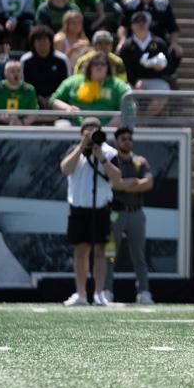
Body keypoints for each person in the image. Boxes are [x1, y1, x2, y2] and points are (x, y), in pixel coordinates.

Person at [60, 117, 122, 306]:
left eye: (95, 131)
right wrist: (81, 147)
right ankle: (80, 293)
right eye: (87, 131)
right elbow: (65, 169)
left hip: (100, 208)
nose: (91, 135)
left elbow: (117, 178)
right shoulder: (74, 151)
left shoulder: (109, 152)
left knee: (100, 252)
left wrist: (100, 156)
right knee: (80, 251)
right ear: (81, 133)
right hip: (79, 208)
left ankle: (99, 293)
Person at [102, 126, 153, 304]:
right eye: (123, 139)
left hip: (136, 213)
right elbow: (114, 185)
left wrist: (126, 184)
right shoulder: (112, 161)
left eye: (129, 138)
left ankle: (144, 292)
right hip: (115, 214)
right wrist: (130, 183)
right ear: (116, 142)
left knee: (139, 255)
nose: (127, 141)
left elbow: (148, 183)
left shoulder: (140, 161)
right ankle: (107, 290)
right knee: (110, 254)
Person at [50, 49, 130, 125]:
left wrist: (117, 119)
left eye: (103, 64)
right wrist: (67, 108)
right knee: (62, 125)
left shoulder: (117, 85)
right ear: (89, 66)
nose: (99, 66)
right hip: (75, 125)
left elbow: (129, 107)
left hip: (108, 128)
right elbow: (53, 100)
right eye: (95, 63)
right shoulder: (73, 82)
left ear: (108, 67)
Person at [20, 24, 70, 106]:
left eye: (45, 39)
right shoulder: (25, 60)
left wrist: (52, 97)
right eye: (39, 40)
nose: (42, 43)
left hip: (58, 100)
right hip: (32, 101)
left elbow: (66, 84)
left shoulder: (62, 59)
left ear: (50, 41)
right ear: (33, 43)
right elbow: (24, 84)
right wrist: (38, 98)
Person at [0, 59, 38, 125]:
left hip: (22, 128)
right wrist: (1, 117)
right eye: (12, 71)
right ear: (5, 73)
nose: (16, 74)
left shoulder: (29, 90)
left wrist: (21, 122)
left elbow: (34, 114)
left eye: (18, 71)